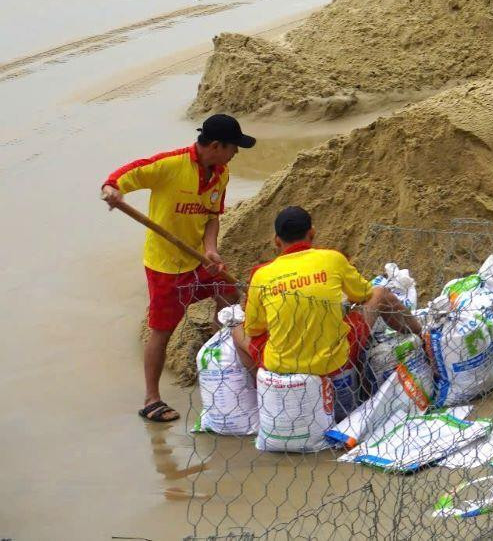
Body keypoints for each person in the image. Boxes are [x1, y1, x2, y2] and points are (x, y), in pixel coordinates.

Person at [101, 114, 249, 423]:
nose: (236, 152)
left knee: (228, 294)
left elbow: (212, 217)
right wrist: (112, 188)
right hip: (166, 268)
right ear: (216, 145)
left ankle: (219, 359)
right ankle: (151, 399)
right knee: (162, 331)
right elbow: (127, 174)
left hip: (199, 261)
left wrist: (211, 249)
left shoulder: (221, 173)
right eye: (233, 147)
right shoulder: (170, 165)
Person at [233, 206, 420, 386]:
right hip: (334, 362)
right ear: (312, 232)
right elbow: (363, 294)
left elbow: (253, 329)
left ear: (276, 240)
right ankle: (421, 334)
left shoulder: (261, 275)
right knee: (379, 293)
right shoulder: (332, 258)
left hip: (282, 367)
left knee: (237, 331)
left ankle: (264, 388)